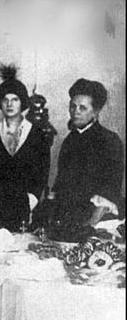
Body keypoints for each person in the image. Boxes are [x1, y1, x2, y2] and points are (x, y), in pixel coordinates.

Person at [0, 63, 50, 231]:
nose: (9, 104)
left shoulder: (36, 134)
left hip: (24, 205)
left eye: (15, 100)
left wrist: (32, 199)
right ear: (0, 103)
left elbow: (42, 171)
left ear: (22, 103)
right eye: (5, 100)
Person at [50, 79, 124, 227]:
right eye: (73, 106)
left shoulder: (110, 140)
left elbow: (110, 188)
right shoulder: (69, 141)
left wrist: (89, 226)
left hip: (98, 217)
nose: (75, 111)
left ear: (95, 111)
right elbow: (60, 185)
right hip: (67, 215)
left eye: (82, 108)